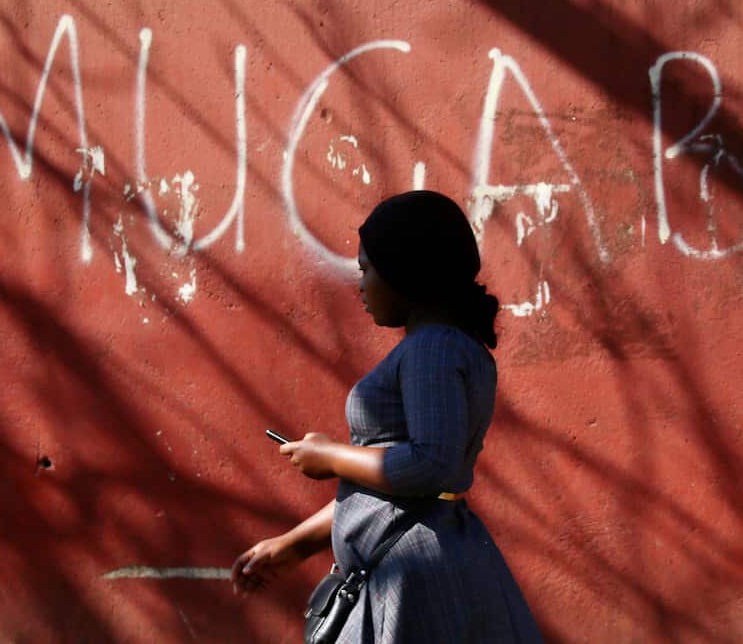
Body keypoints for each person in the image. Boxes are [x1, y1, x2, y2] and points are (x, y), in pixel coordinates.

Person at [232, 190, 542, 642]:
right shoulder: (442, 346)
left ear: (405, 271)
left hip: (417, 584)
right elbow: (393, 489)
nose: (360, 284)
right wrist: (294, 545)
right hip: (413, 571)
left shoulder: (431, 349)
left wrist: (330, 457)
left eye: (367, 269)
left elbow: (429, 466)